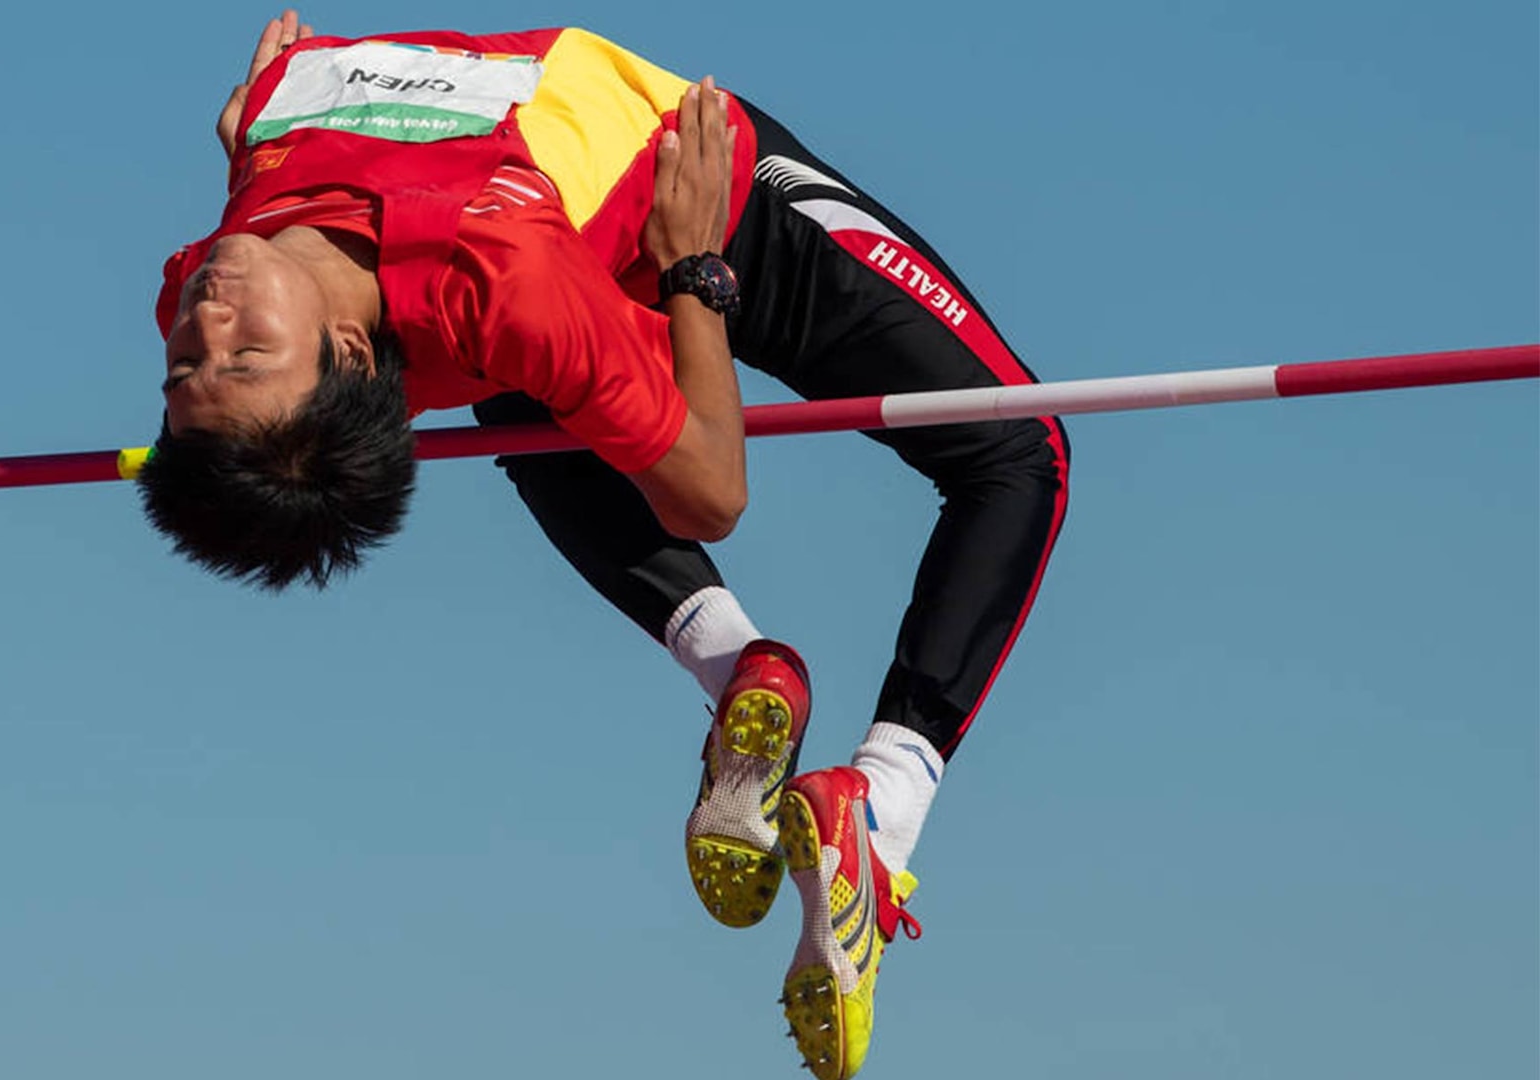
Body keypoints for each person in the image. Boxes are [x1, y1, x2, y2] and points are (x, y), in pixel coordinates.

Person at [138, 14, 1070, 1079]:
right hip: (704, 196)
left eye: (187, 366)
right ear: (342, 348)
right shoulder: (507, 284)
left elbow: (250, 302)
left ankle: (740, 664)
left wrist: (250, 158)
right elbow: (713, 490)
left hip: (533, 295)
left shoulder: (204, 268)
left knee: (509, 386)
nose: (209, 325)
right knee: (1021, 452)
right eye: (247, 350)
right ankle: (884, 806)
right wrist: (697, 275)